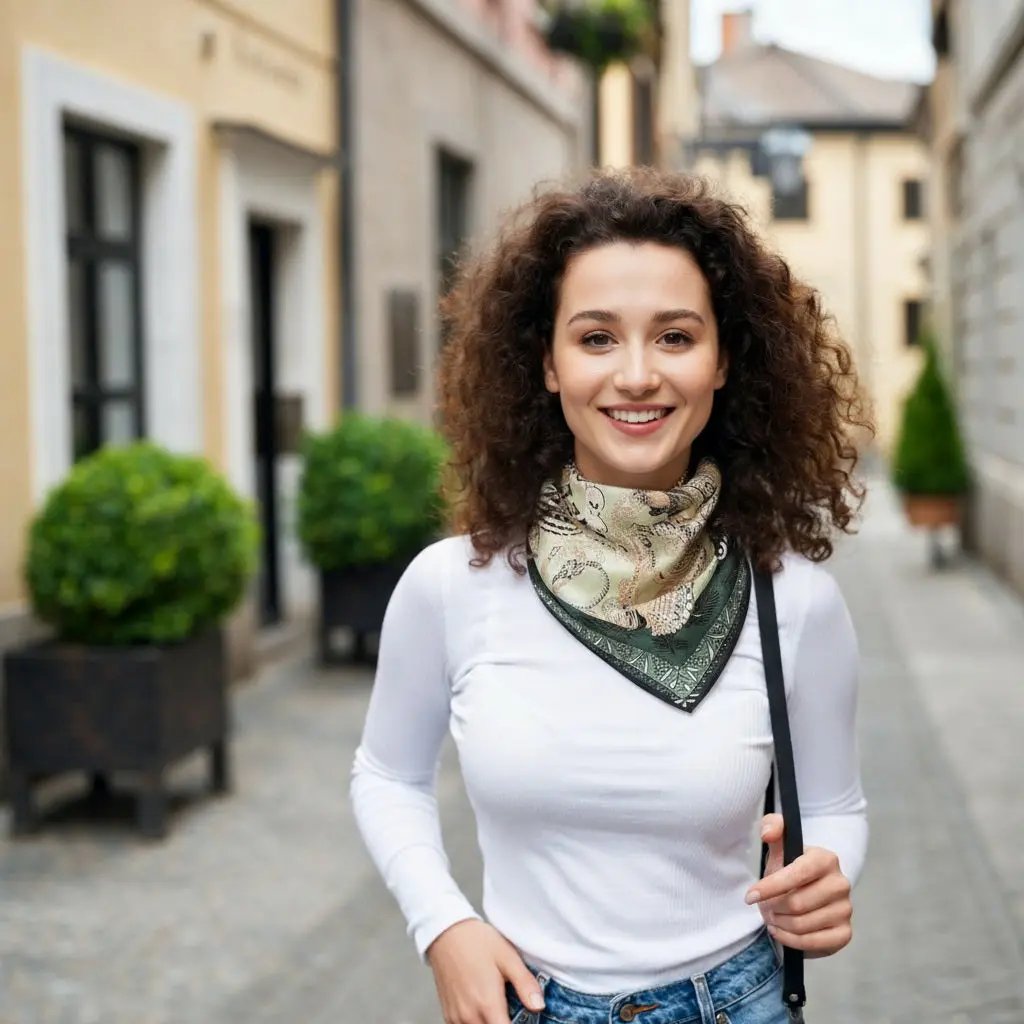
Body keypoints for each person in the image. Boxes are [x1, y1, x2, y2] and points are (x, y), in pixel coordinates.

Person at [350, 167, 871, 1024]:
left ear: (724, 361)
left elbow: (836, 806)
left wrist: (828, 875)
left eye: (675, 337)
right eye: (596, 338)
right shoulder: (452, 586)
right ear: (547, 365)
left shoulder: (796, 601)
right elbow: (385, 775)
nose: (636, 375)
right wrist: (442, 926)